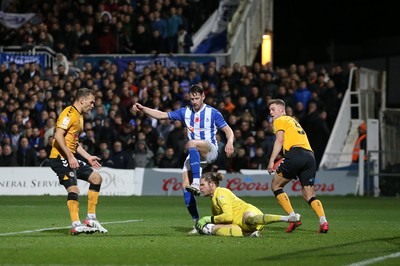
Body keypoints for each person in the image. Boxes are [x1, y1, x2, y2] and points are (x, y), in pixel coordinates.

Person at [132, 84, 234, 234]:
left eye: (197, 98)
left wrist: (230, 142)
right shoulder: (184, 112)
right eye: (192, 98)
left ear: (203, 96)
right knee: (185, 185)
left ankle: (197, 181)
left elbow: (228, 130)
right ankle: (197, 223)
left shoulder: (213, 112)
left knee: (191, 143)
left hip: (209, 149)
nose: (194, 101)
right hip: (194, 154)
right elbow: (162, 115)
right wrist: (143, 109)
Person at [48, 88, 108, 235]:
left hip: (70, 157)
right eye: (91, 102)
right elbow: (58, 135)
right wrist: (70, 156)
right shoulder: (69, 112)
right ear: (82, 100)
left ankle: (90, 218)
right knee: (74, 189)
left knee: (96, 178)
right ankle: (76, 224)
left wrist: (87, 157)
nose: (93, 105)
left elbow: (73, 143)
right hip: (59, 158)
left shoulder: (80, 116)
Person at [267, 99, 329, 233]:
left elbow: (280, 140)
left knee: (276, 186)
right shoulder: (293, 121)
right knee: (309, 195)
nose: (270, 112)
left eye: (273, 109)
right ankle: (323, 221)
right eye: (270, 110)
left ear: (282, 110)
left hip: (295, 154)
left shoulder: (279, 120)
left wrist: (271, 160)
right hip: (310, 157)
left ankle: (293, 218)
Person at [195, 172, 301, 237]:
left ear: (212, 184)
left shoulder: (221, 193)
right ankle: (250, 234)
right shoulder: (213, 199)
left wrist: (208, 219)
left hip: (247, 213)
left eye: (202, 185)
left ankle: (288, 218)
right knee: (212, 229)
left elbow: (228, 216)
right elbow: (225, 219)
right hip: (239, 224)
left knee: (249, 219)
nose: (200, 188)